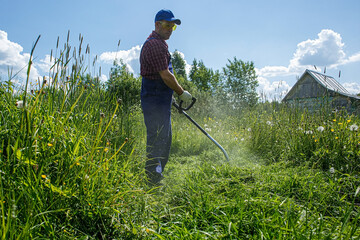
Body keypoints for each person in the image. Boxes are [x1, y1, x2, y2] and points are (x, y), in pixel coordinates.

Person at [140, 9, 192, 186]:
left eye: (172, 27)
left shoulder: (160, 44)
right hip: (154, 99)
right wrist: (180, 92)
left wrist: (171, 98)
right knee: (157, 138)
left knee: (164, 138)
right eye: (167, 25)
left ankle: (157, 174)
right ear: (157, 25)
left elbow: (162, 77)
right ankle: (152, 178)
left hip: (160, 99)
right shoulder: (154, 44)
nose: (170, 29)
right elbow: (165, 75)